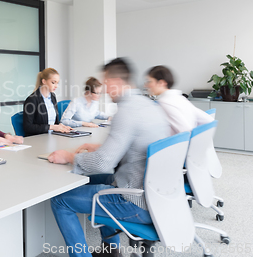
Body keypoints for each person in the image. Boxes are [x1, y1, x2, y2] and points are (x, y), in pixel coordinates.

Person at [47, 58, 170, 257]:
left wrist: (70, 157)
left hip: (136, 201)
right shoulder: (148, 105)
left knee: (60, 201)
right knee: (98, 180)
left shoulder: (127, 112)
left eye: (105, 83)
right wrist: (101, 148)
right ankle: (110, 249)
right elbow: (129, 147)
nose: (104, 89)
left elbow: (103, 162)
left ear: (115, 82)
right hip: (156, 194)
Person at [145, 65, 213, 135]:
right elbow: (208, 120)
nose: (146, 85)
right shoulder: (180, 98)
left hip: (174, 144)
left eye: (149, 81)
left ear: (161, 83)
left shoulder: (164, 102)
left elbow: (185, 132)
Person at [23, 68, 72, 137]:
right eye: (53, 82)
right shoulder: (32, 100)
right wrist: (51, 127)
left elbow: (54, 122)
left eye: (57, 83)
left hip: (52, 136)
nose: (56, 86)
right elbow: (28, 127)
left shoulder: (52, 97)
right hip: (38, 138)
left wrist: (61, 126)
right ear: (44, 81)